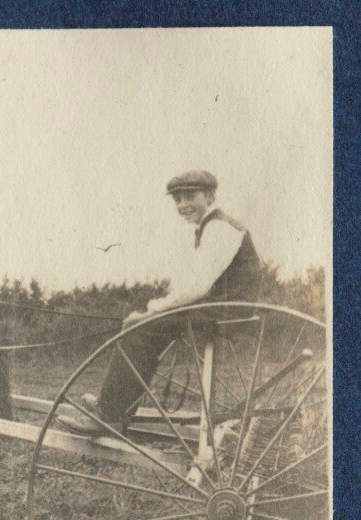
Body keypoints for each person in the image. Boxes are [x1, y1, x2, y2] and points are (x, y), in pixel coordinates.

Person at [59, 169, 262, 435]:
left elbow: (197, 288)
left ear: (210, 196)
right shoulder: (210, 226)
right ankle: (115, 406)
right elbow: (192, 284)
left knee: (139, 330)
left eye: (190, 197)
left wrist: (150, 312)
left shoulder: (220, 228)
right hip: (220, 307)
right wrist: (154, 309)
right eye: (177, 200)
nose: (183, 205)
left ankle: (110, 414)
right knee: (142, 326)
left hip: (226, 311)